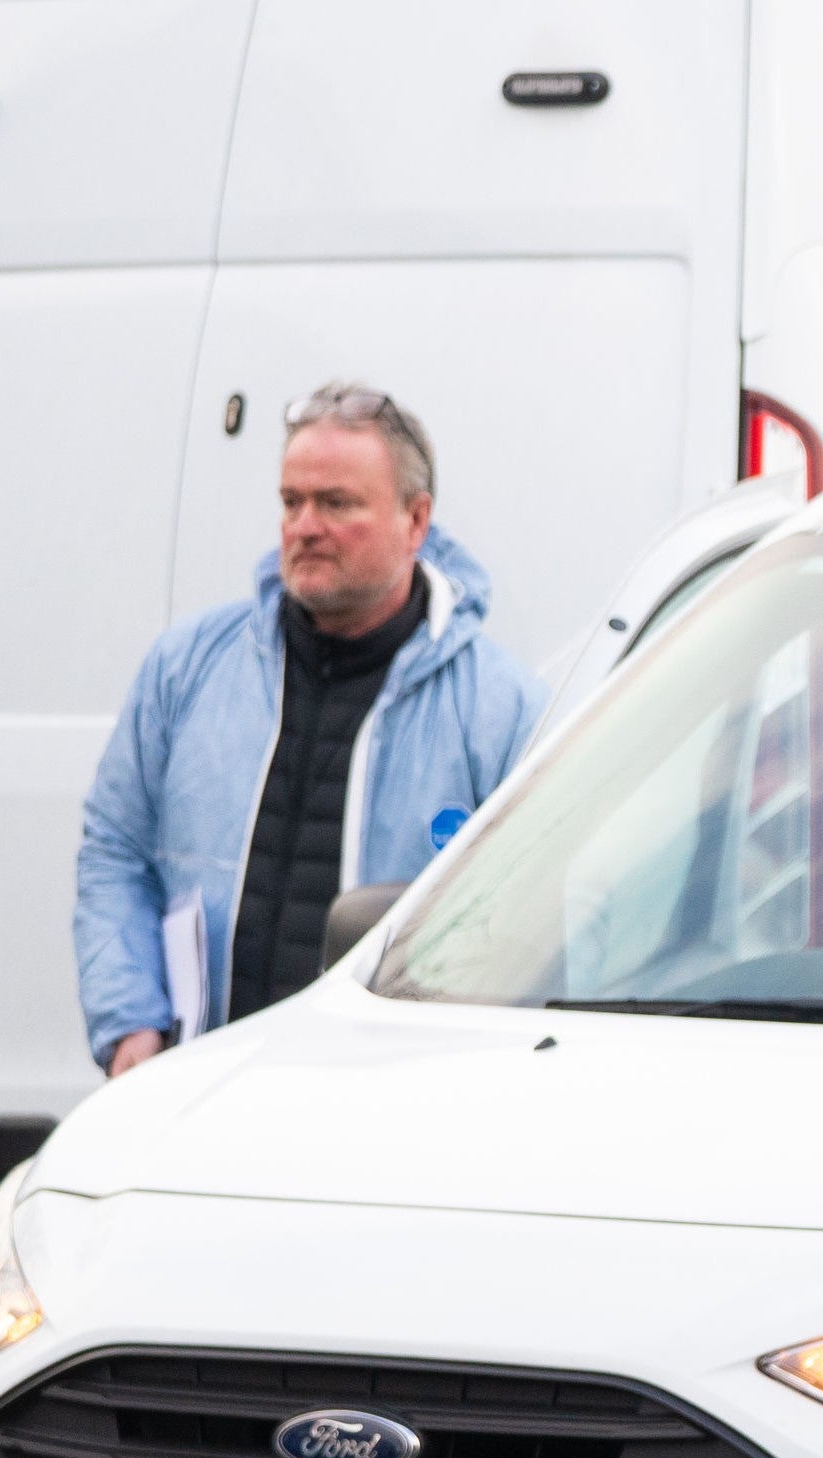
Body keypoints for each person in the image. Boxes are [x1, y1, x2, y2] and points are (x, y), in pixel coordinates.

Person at [75, 382, 545, 1076]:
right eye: (291, 502)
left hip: (384, 1110)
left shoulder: (497, 706)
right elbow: (115, 851)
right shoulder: (190, 666)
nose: (305, 527)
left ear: (416, 521)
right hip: (199, 1092)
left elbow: (537, 920)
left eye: (336, 503)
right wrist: (131, 1023)